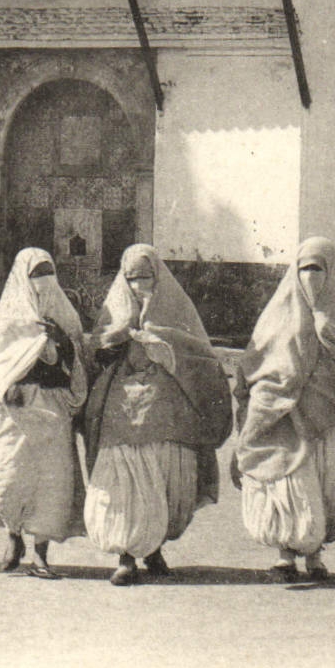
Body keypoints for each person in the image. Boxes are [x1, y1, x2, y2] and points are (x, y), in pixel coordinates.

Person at [232, 237, 335, 582]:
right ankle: (285, 555)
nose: (311, 278)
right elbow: (256, 363)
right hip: (286, 419)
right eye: (304, 270)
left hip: (334, 421)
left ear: (333, 274)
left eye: (318, 270)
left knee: (327, 485)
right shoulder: (278, 316)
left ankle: (315, 555)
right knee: (287, 483)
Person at [81, 244, 232, 586]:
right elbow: (94, 352)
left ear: (158, 277)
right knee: (124, 479)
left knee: (166, 477)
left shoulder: (176, 309)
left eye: (145, 277)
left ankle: (154, 548)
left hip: (167, 409)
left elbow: (201, 357)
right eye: (131, 279)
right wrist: (115, 337)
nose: (138, 285)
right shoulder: (114, 307)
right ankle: (126, 555)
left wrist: (160, 338)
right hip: (121, 410)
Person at [0, 248, 87, 579]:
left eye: (48, 273)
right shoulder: (6, 319)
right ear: (23, 277)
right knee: (11, 478)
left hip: (53, 407)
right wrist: (6, 382)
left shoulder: (65, 315)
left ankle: (40, 554)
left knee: (52, 485)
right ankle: (13, 537)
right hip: (16, 410)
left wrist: (61, 342)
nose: (42, 281)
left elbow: (79, 357)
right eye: (36, 274)